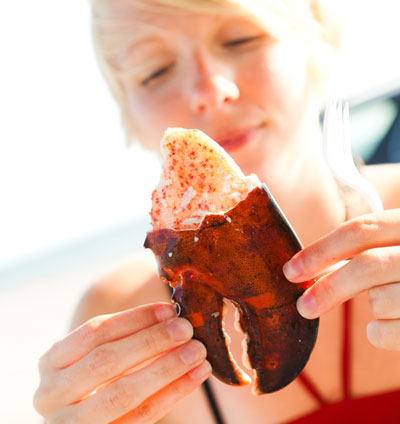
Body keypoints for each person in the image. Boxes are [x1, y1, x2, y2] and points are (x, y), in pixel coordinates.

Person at [33, 0, 400, 423]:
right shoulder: (118, 317)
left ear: (317, 38)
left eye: (240, 39)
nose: (208, 91)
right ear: (128, 114)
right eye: (154, 71)